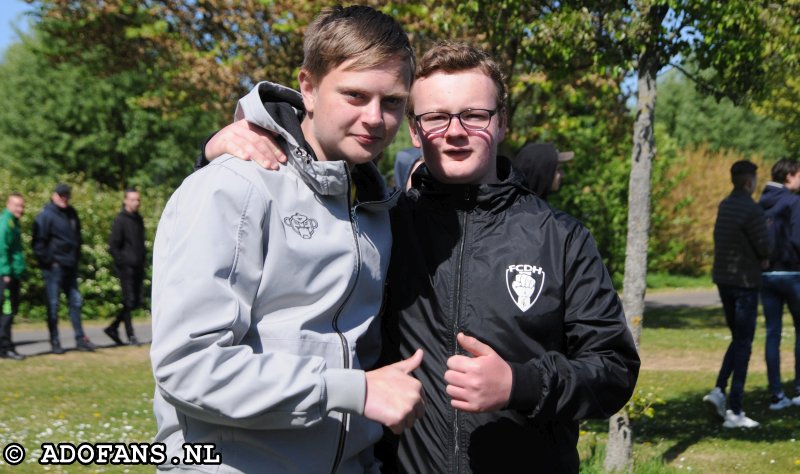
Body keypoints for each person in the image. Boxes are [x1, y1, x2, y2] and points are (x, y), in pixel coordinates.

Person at [204, 41, 640, 473]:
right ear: (415, 130)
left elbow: (614, 369)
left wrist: (520, 384)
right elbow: (278, 222)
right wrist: (220, 152)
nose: (455, 131)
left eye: (474, 115)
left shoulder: (561, 238)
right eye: (436, 117)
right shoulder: (380, 224)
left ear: (502, 122)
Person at [151, 6, 424, 473]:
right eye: (355, 95)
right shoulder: (233, 186)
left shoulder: (374, 208)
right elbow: (189, 366)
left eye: (393, 102)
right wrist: (353, 390)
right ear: (308, 88)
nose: (375, 118)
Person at [703, 160, 770, 428]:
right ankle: (735, 409)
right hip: (744, 282)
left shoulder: (725, 205)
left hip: (723, 280)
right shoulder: (752, 210)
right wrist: (763, 257)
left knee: (738, 338)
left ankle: (719, 390)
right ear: (748, 181)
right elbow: (765, 247)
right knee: (744, 343)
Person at [32, 183, 95, 354]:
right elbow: (38, 243)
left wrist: (76, 258)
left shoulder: (72, 214)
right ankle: (55, 341)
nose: (63, 198)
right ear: (54, 196)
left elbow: (77, 238)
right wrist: (49, 262)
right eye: (61, 195)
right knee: (53, 305)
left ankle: (80, 339)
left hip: (70, 266)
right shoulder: (46, 215)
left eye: (66, 195)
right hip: (54, 268)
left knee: (75, 302)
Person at [758, 157, 800, 409]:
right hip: (793, 274)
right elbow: (797, 239)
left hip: (766, 276)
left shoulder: (760, 203)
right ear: (789, 176)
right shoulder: (794, 202)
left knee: (772, 333)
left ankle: (776, 394)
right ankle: (798, 389)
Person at [105, 188, 145, 346]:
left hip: (138, 266)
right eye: (133, 199)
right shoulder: (120, 220)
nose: (136, 203)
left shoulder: (138, 219)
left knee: (135, 302)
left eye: (138, 200)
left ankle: (113, 327)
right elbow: (113, 245)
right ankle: (130, 335)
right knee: (129, 301)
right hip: (126, 267)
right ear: (125, 200)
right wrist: (122, 262)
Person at [0, 192, 27, 360]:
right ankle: (5, 347)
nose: (20, 209)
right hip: (6, 275)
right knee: (7, 311)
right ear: (8, 205)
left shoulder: (14, 222)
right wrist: (6, 272)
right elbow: (2, 249)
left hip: (13, 274)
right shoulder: (6, 223)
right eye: (17, 205)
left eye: (22, 206)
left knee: (9, 311)